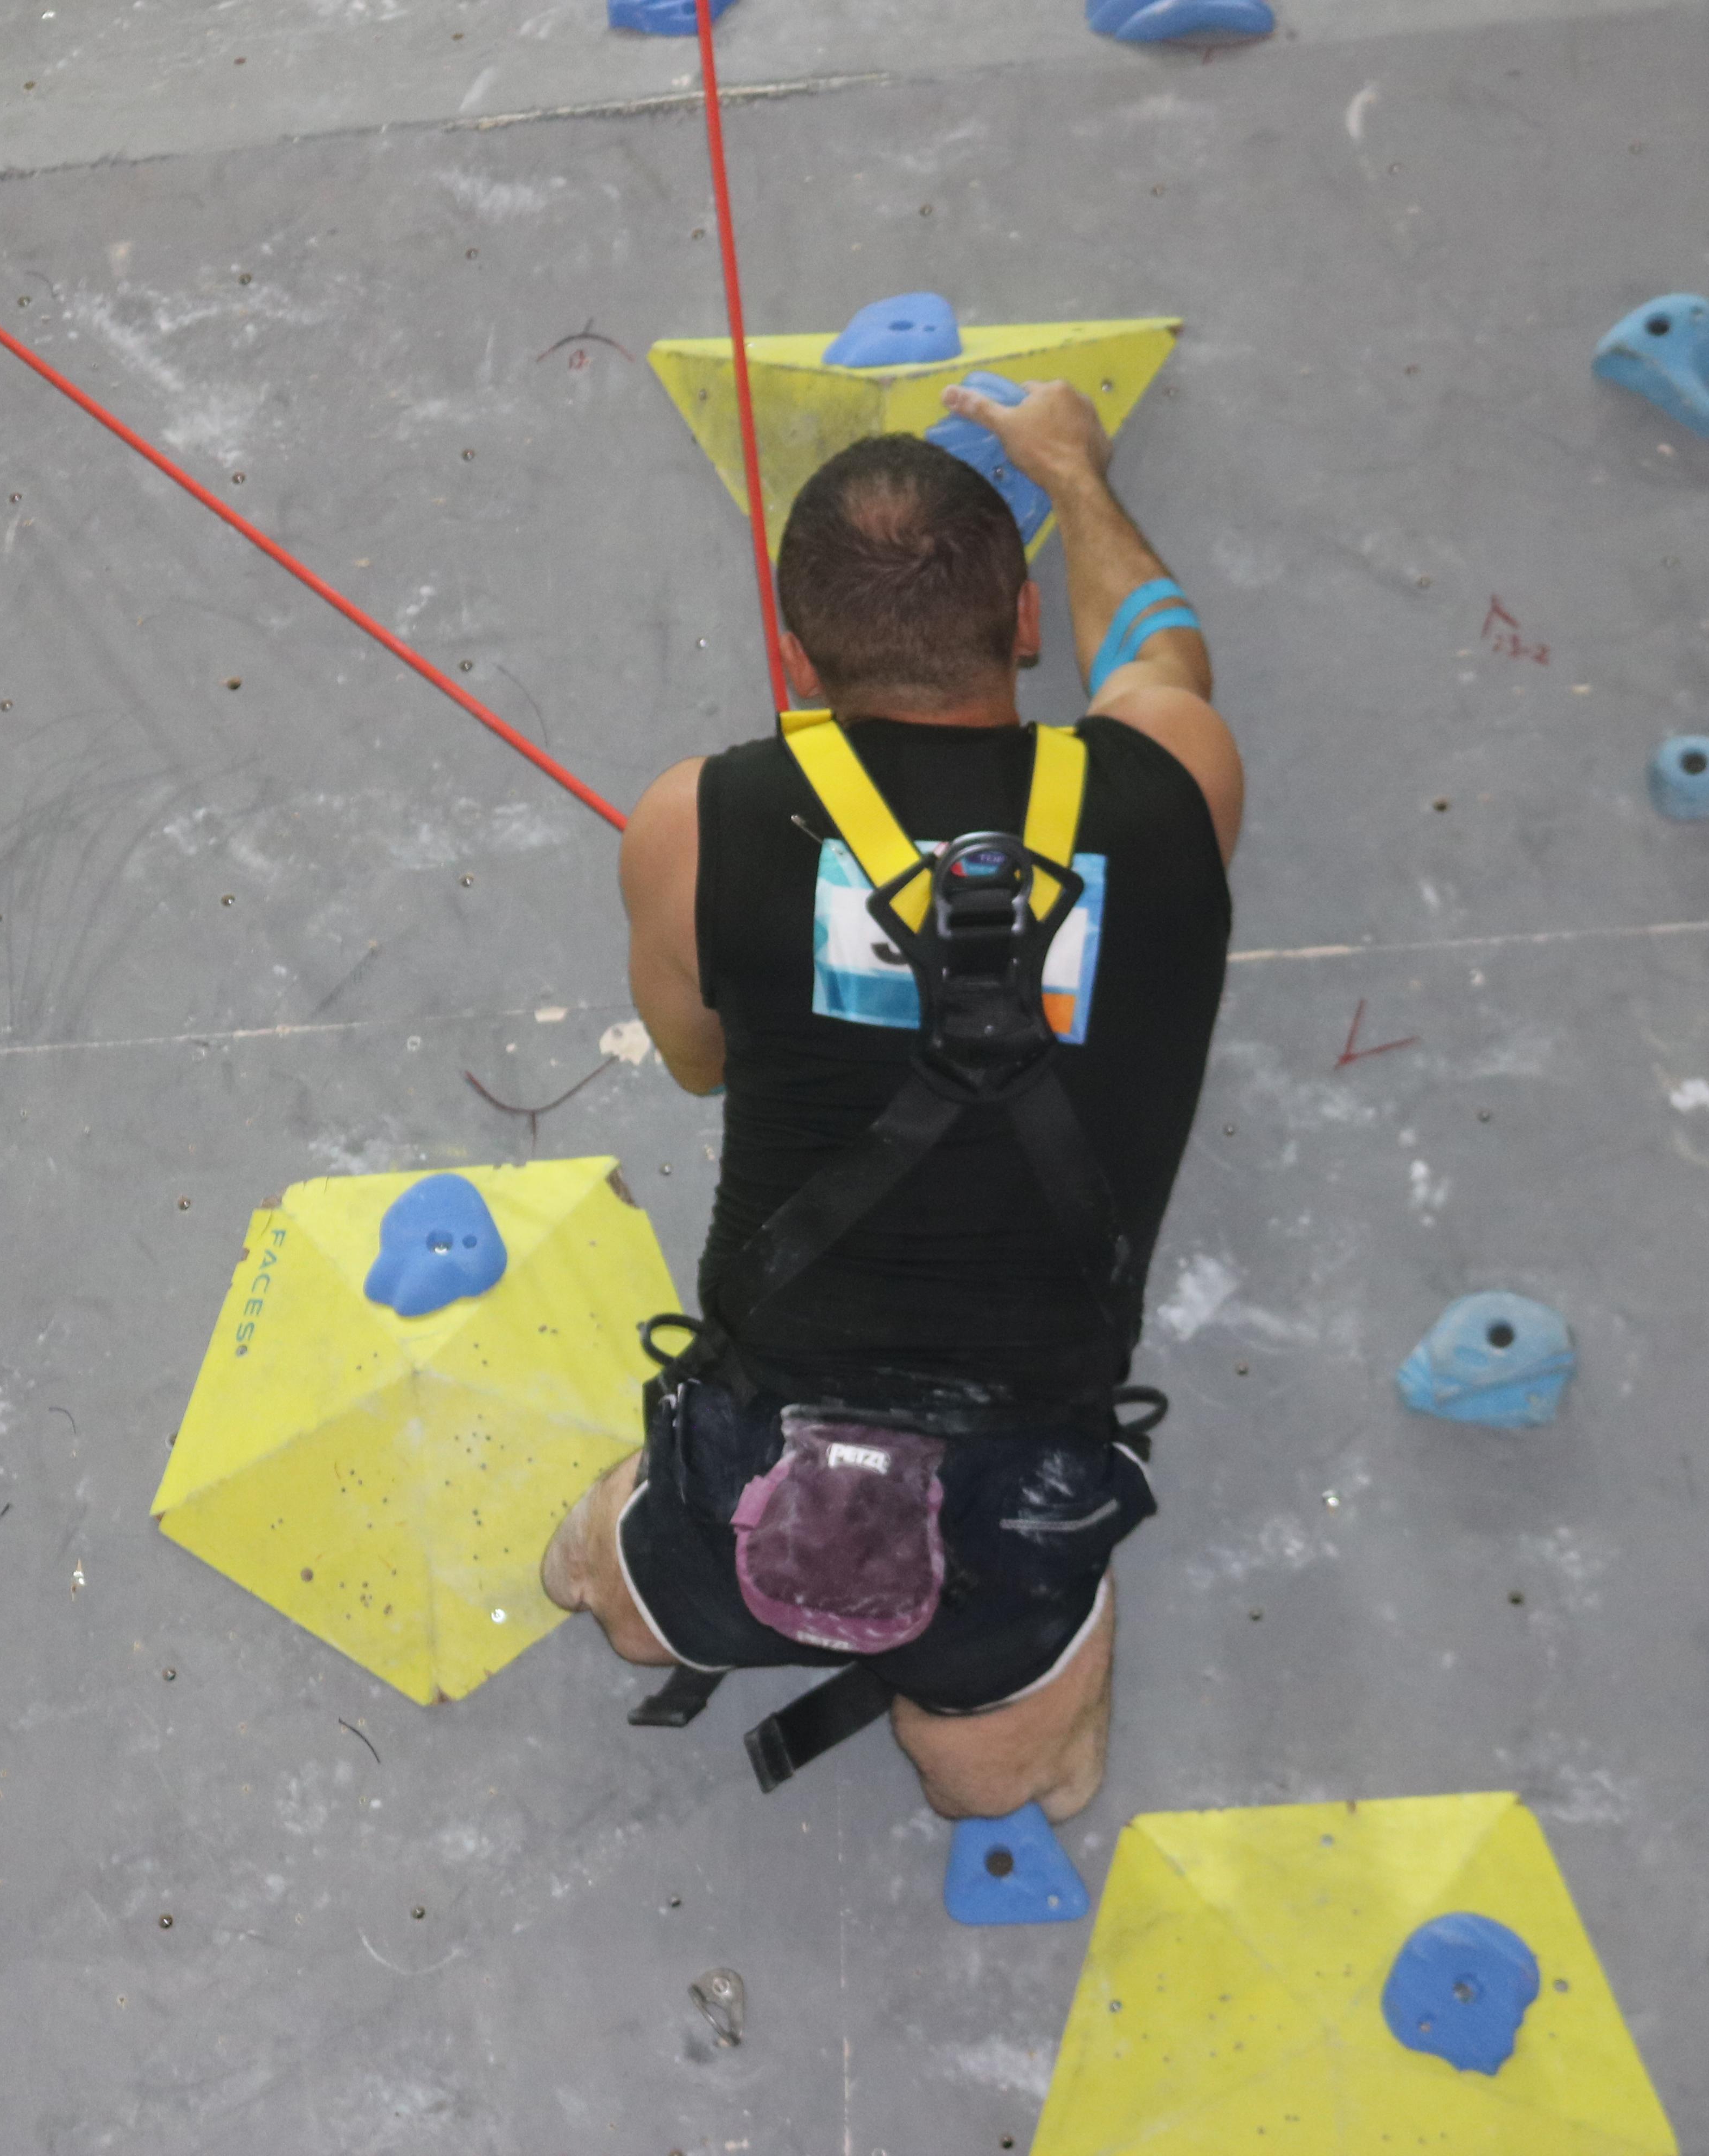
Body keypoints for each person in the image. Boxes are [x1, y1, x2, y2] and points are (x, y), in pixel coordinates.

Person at [543, 380, 1242, 1821]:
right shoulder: (1177, 780)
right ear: (1025, 622)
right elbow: (1162, 654)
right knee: (1004, 1787)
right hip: (1023, 1474)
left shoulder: (695, 822)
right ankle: (1005, 1685)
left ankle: (656, 1564)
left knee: (602, 1589)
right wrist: (1074, 473)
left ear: (799, 662)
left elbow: (696, 1063)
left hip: (755, 1446)